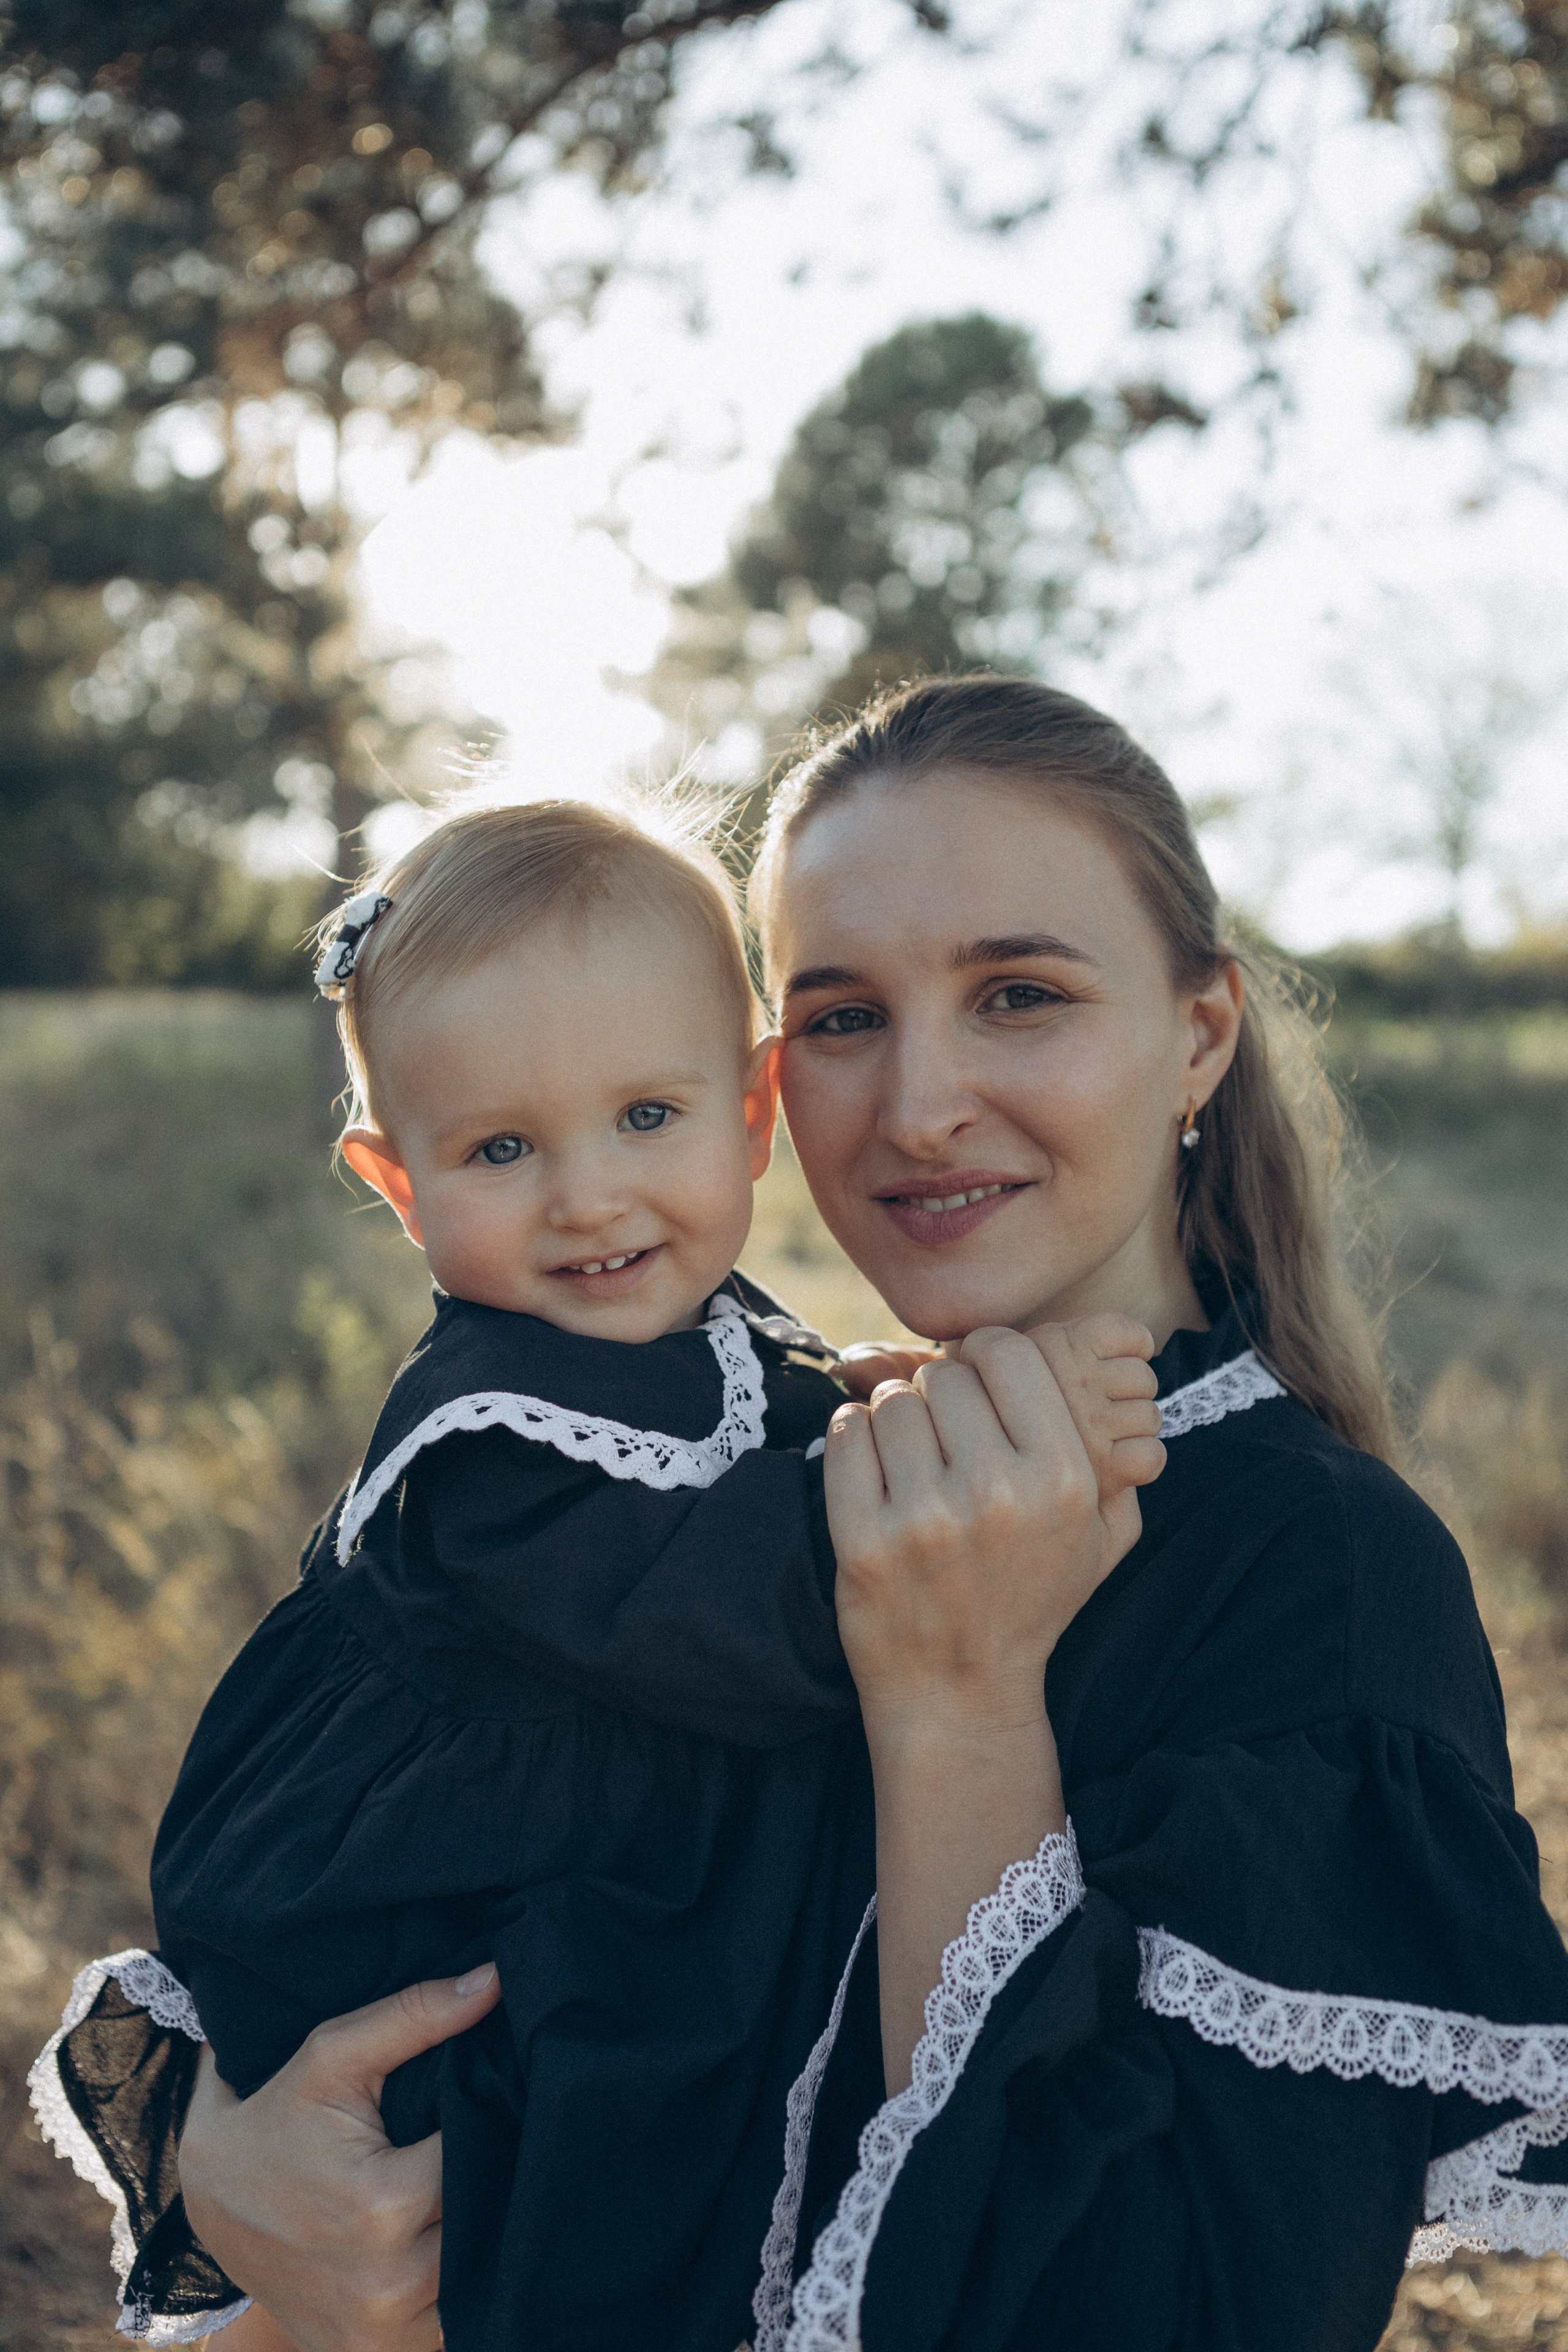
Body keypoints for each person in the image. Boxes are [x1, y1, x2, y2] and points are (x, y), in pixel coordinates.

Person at [39, 674, 1568, 2352]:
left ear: (1199, 1033)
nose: (918, 1107)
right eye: (845, 1016)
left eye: (1020, 995)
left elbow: (1181, 2311)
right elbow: (410, 1869)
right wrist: (231, 2157)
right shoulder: (750, 1445)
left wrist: (961, 1700)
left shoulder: (1316, 1571)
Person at [28, 788, 1159, 2352]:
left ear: (749, 1111)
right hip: (430, 1900)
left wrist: (882, 1396)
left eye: (648, 1118)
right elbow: (696, 1598)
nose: (590, 1197)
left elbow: (761, 1423)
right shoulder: (489, 1436)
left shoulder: (700, 1320)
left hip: (589, 1859)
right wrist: (948, 1465)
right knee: (495, 2228)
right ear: (395, 1182)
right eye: (501, 1148)